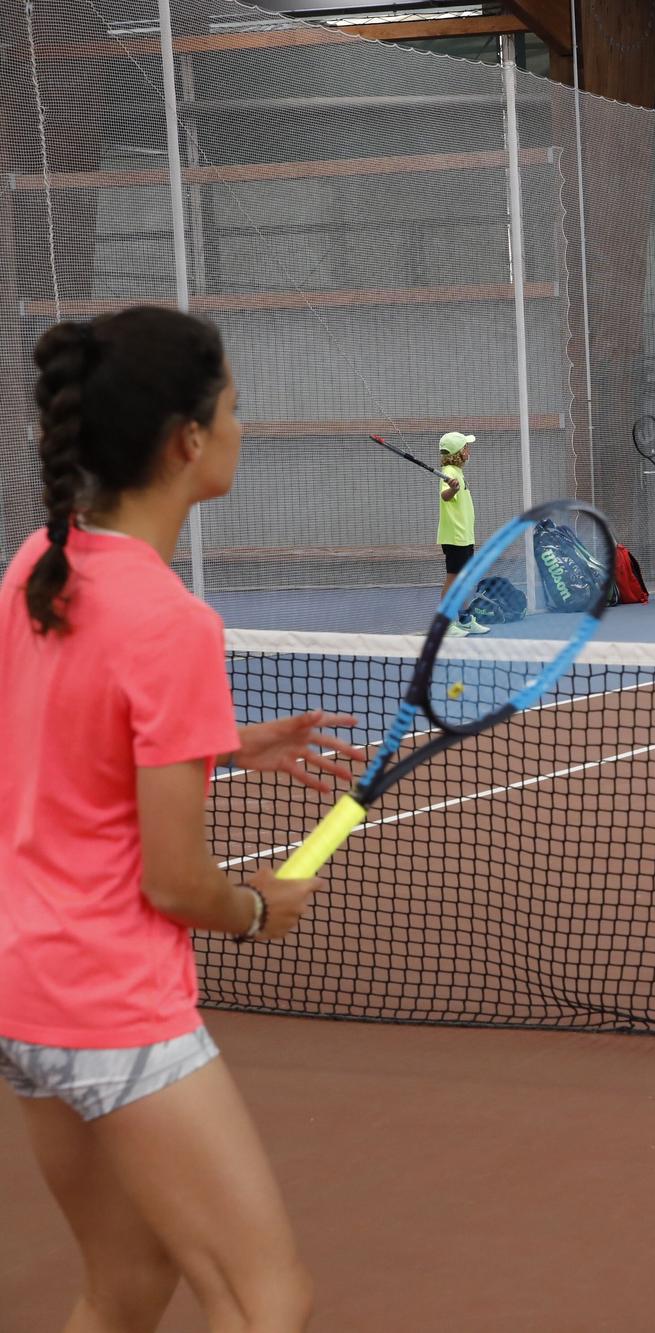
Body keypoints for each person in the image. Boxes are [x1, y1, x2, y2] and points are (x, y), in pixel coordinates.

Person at [2, 306, 368, 1332]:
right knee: (264, 1301)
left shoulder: (40, 560)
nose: (243, 429)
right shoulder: (173, 621)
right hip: (116, 1007)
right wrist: (259, 908)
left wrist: (225, 740)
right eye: (235, 409)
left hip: (25, 991)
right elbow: (175, 883)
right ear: (187, 440)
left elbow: (59, 740)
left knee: (123, 1291)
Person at [436, 430, 488, 636]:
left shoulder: (457, 471)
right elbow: (446, 496)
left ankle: (465, 619)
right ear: (459, 452)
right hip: (455, 537)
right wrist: (453, 490)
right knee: (453, 578)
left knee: (463, 579)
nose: (469, 450)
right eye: (466, 447)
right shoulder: (449, 471)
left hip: (465, 535)